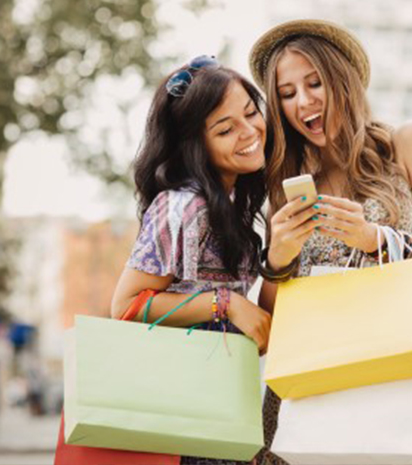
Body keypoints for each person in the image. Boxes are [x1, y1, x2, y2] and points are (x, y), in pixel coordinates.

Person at [248, 19, 412, 464]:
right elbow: (272, 322)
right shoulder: (285, 185)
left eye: (314, 83)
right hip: (312, 394)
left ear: (343, 79)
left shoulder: (407, 142)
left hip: (397, 378)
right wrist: (279, 258)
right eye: (287, 94)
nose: (303, 101)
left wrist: (375, 239)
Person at [110, 55, 271, 465]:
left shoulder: (236, 202)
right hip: (182, 407)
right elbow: (126, 307)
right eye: (225, 129)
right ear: (196, 144)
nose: (249, 131)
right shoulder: (180, 205)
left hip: (221, 397)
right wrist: (226, 303)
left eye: (251, 113)